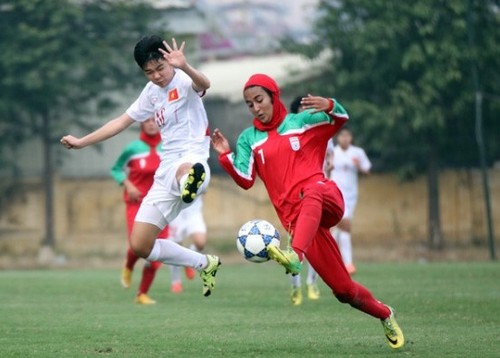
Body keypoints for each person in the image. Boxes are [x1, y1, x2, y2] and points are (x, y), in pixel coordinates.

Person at [211, 74, 404, 350]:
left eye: (259, 100)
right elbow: (245, 179)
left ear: (274, 97)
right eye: (249, 104)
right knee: (344, 291)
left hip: (326, 199)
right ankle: (385, 314)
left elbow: (340, 119)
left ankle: (294, 255)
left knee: (311, 190)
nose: (255, 108)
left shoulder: (300, 123)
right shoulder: (248, 139)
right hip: (301, 225)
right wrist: (224, 156)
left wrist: (329, 104)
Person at [61, 36, 221, 297]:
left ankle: (191, 182)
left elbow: (204, 84)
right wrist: (81, 142)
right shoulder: (150, 94)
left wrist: (186, 66)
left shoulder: (182, 79)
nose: (157, 76)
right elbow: (121, 122)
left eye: (160, 68)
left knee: (187, 172)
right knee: (140, 246)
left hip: (191, 155)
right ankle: (205, 263)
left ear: (169, 61)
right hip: (165, 168)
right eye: (149, 72)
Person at [110, 117, 168, 304]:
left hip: (162, 205)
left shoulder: (168, 146)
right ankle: (128, 266)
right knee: (138, 245)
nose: (151, 124)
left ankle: (142, 294)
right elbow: (116, 169)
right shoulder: (133, 149)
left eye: (154, 120)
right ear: (141, 124)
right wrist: (128, 185)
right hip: (137, 203)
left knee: (159, 250)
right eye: (147, 120)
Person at [285, 95, 326, 305]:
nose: (307, 111)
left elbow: (330, 159)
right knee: (295, 243)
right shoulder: (289, 134)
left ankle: (312, 282)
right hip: (295, 196)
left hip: (318, 193)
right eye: (303, 107)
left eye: (310, 107)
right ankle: (295, 287)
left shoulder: (323, 132)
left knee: (318, 243)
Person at [330, 127, 371, 275]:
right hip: (335, 194)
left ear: (351, 137)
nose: (345, 138)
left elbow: (367, 171)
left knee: (339, 230)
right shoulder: (333, 152)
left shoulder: (357, 152)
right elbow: (325, 169)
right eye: (342, 136)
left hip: (351, 196)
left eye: (347, 135)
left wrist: (358, 165)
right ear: (338, 138)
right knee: (345, 226)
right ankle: (348, 263)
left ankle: (335, 261)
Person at [168, 197, 207, 293]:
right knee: (174, 247)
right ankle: (176, 281)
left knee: (200, 243)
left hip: (193, 210)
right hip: (176, 209)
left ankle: (188, 259)